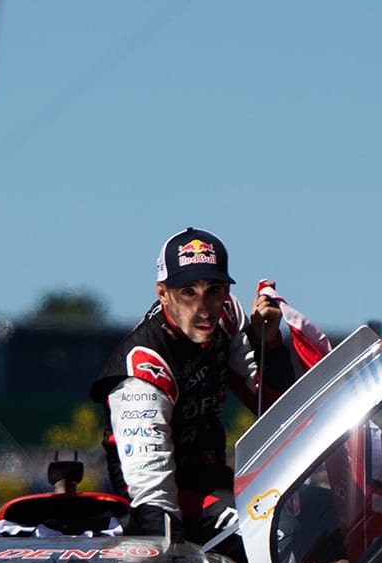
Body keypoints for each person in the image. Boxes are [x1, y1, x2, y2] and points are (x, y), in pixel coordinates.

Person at [94, 227, 311, 531]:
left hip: (215, 478)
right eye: (188, 293)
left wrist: (268, 342)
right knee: (274, 528)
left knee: (327, 511)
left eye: (213, 290)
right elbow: (151, 495)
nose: (203, 308)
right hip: (165, 492)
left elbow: (274, 408)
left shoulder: (228, 315)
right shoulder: (144, 367)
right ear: (163, 294)